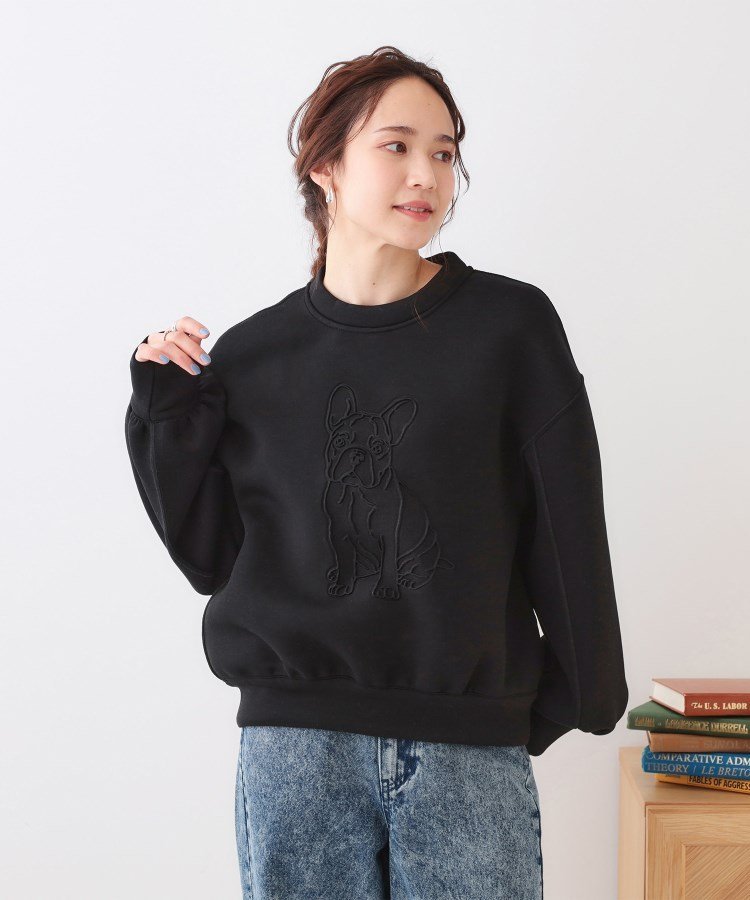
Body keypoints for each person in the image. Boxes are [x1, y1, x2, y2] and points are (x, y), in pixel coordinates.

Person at [125, 45, 628, 900]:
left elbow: (567, 526)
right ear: (325, 166)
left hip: (468, 753)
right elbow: (210, 559)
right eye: (397, 145)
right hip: (295, 757)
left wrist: (572, 696)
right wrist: (164, 409)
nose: (427, 174)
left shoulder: (510, 329)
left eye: (444, 152)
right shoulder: (253, 356)